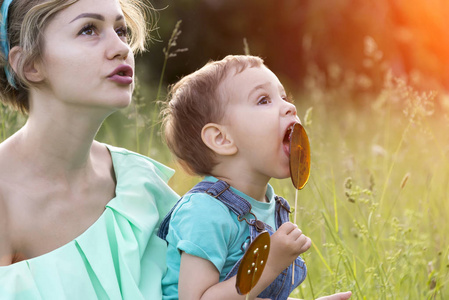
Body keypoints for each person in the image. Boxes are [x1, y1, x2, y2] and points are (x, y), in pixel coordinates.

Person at [0, 0, 179, 299]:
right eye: (88, 30)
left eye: (121, 30)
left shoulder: (142, 186)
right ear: (30, 65)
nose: (122, 48)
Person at [158, 55, 352, 300]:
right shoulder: (206, 212)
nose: (290, 107)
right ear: (222, 139)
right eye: (263, 100)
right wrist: (269, 265)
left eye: (284, 97)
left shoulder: (268, 207)